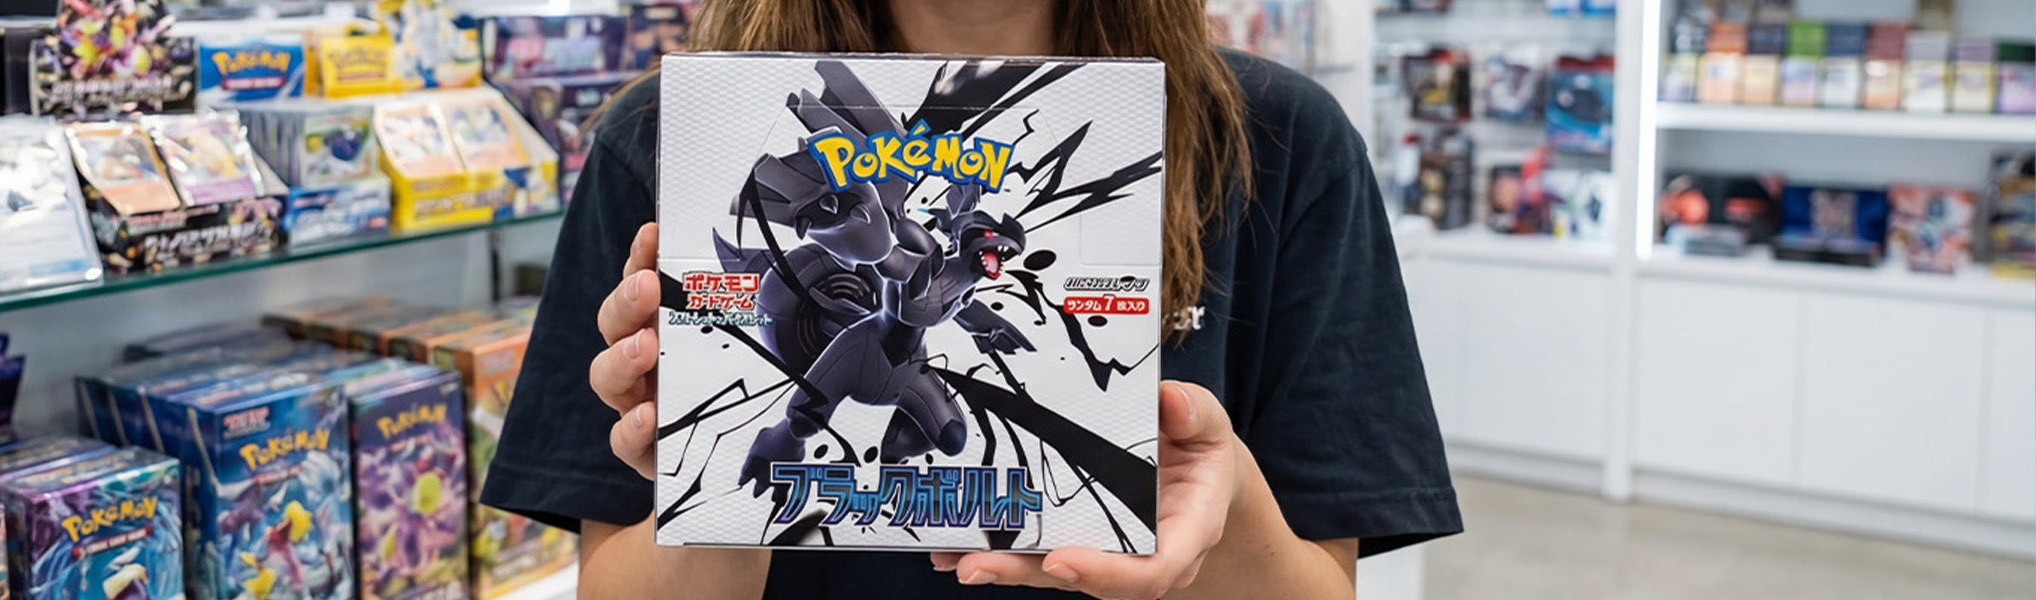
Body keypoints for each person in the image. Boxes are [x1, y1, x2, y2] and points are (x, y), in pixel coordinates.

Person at [481, 1, 1462, 599]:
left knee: (939, 424)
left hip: (902, 360)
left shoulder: (1277, 140)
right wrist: (717, 499)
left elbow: (1310, 589)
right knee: (813, 413)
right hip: (854, 351)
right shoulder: (671, 139)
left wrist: (1223, 506)